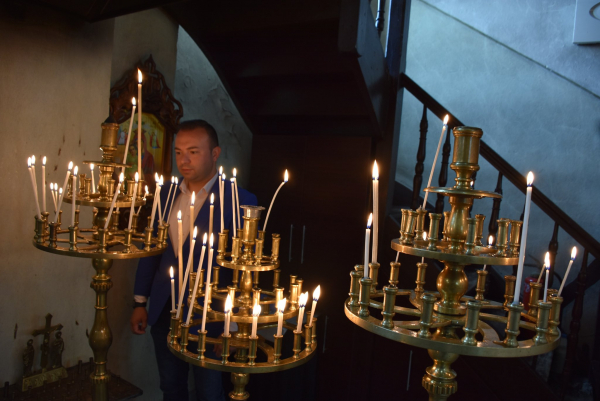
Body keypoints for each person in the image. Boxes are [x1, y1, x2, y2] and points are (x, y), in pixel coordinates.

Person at [131, 120, 256, 401]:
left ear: (215, 153)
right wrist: (139, 301)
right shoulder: (166, 193)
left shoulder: (239, 200)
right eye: (178, 152)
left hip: (211, 315)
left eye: (193, 152)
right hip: (165, 308)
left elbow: (244, 271)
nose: (183, 160)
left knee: (209, 392)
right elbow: (152, 251)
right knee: (170, 386)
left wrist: (234, 326)